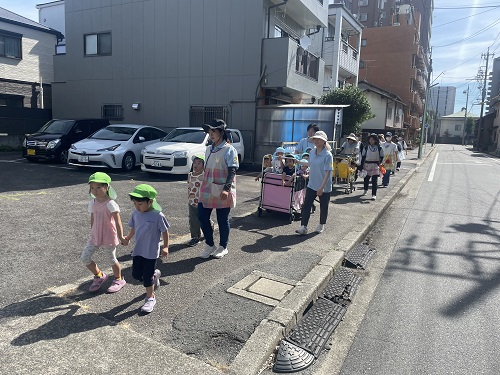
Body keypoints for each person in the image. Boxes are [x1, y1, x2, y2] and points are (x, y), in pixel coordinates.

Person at [122, 184, 169, 313]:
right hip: (138, 250)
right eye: (135, 203)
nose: (137, 206)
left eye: (140, 203)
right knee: (136, 274)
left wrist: (165, 247)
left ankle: (150, 297)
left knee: (146, 278)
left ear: (150, 201)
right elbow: (133, 228)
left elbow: (165, 232)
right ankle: (154, 277)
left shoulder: (158, 216)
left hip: (151, 252)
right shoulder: (135, 214)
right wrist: (128, 237)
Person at [198, 119, 239, 259]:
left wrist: (226, 189)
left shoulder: (229, 149)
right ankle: (210, 244)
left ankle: (223, 246)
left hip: (222, 188)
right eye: (209, 132)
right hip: (207, 188)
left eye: (214, 131)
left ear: (222, 132)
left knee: (222, 219)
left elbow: (232, 171)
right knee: (202, 216)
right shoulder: (209, 148)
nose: (211, 134)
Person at [81, 172, 126, 293]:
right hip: (96, 235)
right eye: (92, 187)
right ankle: (99, 276)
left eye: (99, 187)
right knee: (85, 257)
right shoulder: (92, 203)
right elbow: (93, 219)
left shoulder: (111, 203)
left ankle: (119, 279)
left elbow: (118, 221)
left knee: (112, 259)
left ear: (107, 187)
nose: (95, 190)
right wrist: (92, 232)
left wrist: (121, 236)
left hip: (108, 235)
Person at [295, 131, 333, 235]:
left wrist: (321, 188)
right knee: (306, 205)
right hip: (312, 184)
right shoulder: (312, 152)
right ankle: (303, 226)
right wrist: (298, 162)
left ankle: (321, 224)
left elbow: (328, 172)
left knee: (324, 206)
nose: (316, 141)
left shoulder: (328, 155)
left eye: (318, 139)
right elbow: (309, 163)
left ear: (324, 141)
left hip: (324, 186)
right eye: (315, 139)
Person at [187, 154, 206, 246]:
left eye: (199, 163)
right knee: (193, 220)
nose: (196, 165)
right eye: (194, 163)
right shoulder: (190, 175)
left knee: (203, 219)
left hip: (202, 202)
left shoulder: (204, 175)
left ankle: (209, 227)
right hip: (191, 201)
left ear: (203, 165)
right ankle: (195, 237)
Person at [360, 133, 384, 200]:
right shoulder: (366, 147)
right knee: (366, 179)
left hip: (375, 165)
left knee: (374, 181)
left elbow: (382, 157)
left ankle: (374, 194)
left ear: (375, 140)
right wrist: (361, 166)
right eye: (370, 139)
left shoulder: (379, 148)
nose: (371, 141)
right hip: (367, 165)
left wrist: (380, 163)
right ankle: (365, 190)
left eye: (372, 139)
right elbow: (363, 157)